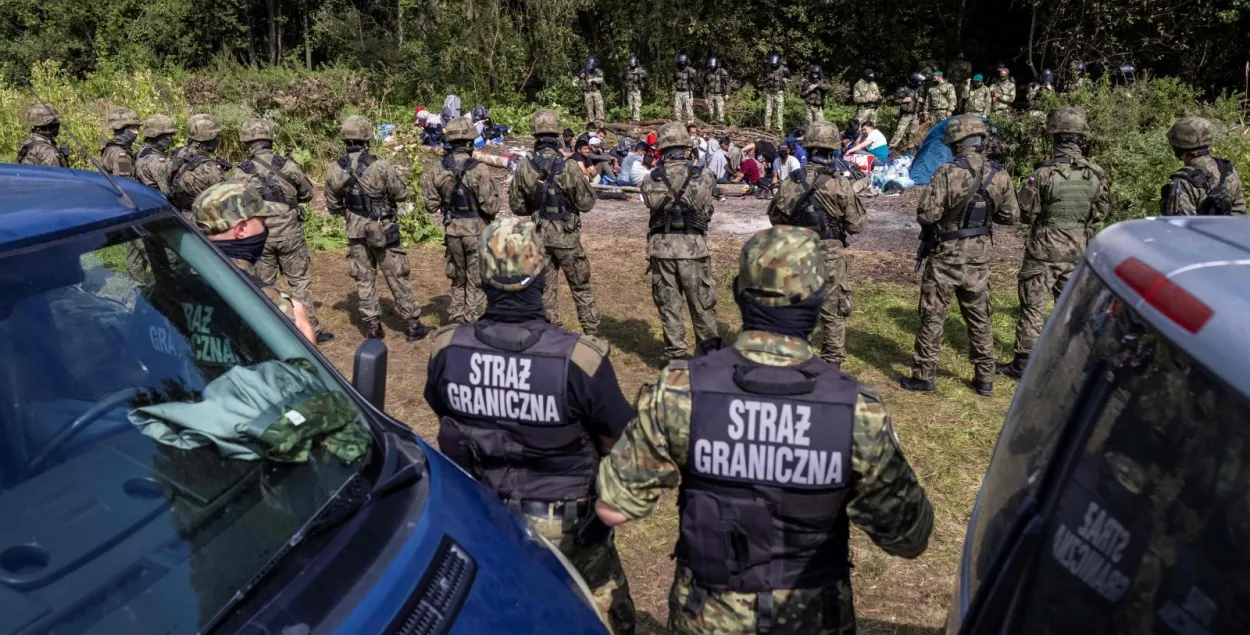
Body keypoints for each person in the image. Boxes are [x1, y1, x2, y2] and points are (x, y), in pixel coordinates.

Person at [594, 225, 934, 635]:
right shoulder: (857, 410)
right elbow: (909, 539)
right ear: (818, 298)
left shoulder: (681, 392)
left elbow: (613, 507)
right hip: (812, 618)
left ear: (739, 293)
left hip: (706, 615)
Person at [423, 217, 637, 634]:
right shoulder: (580, 359)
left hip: (485, 518)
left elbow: (444, 413)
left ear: (483, 276)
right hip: (571, 529)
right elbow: (621, 444)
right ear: (541, 273)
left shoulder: (446, 350)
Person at [901, 114, 1019, 396]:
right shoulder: (999, 174)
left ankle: (924, 376)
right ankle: (985, 379)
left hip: (946, 255)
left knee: (933, 316)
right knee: (979, 316)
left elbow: (927, 215)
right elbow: (1011, 216)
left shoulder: (946, 172)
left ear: (955, 142)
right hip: (979, 256)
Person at [997, 108, 1109, 380]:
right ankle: (1073, 361)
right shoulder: (1095, 174)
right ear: (1081, 138)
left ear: (1054, 137)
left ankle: (1023, 364)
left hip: (1044, 248)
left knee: (1033, 306)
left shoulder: (1044, 174)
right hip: (1079, 248)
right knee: (1072, 306)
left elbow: (1024, 212)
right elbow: (1102, 212)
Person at [767, 121, 867, 365]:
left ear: (808, 148)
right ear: (832, 151)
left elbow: (775, 218)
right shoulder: (840, 183)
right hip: (830, 253)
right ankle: (831, 362)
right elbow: (857, 225)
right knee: (832, 310)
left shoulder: (791, 181)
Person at [325, 114, 431, 341]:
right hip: (383, 227)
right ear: (366, 139)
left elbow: (333, 205)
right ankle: (412, 325)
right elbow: (401, 194)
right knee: (397, 275)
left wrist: (353, 215)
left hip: (355, 230)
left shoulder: (335, 169)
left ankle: (373, 327)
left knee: (364, 278)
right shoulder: (380, 166)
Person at [228, 118, 333, 344]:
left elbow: (232, 204)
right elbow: (307, 193)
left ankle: (268, 334)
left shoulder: (240, 172)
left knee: (264, 284)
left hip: (260, 236)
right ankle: (311, 331)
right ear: (269, 139)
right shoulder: (287, 165)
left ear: (246, 142)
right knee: (299, 283)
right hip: (290, 233)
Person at [510, 109, 601, 336]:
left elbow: (517, 206)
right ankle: (592, 335)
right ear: (558, 134)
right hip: (567, 237)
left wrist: (536, 202)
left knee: (544, 288)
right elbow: (587, 203)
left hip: (540, 237)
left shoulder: (524, 165)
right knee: (581, 286)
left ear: (534, 135)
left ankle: (550, 333)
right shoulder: (570, 165)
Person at [191, 183, 317, 342]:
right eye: (263, 222)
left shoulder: (171, 279)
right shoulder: (265, 302)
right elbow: (304, 364)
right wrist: (300, 320)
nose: (265, 229)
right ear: (241, 229)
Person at [640, 122, 719, 360]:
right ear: (686, 147)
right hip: (693, 248)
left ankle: (676, 356)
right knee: (702, 305)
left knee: (669, 305)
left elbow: (650, 205)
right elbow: (706, 209)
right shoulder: (703, 175)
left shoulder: (651, 179)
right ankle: (709, 358)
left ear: (661, 148)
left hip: (662, 249)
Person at [422, 117, 502, 325]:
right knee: (476, 280)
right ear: (469, 142)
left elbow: (430, 205)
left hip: (453, 231)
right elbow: (490, 207)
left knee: (458, 279)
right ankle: (472, 322)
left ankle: (456, 320)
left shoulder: (438, 168)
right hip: (477, 232)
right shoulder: (479, 169)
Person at [1160, 116, 1247, 216]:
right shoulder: (1228, 170)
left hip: (1198, 231)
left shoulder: (1183, 181)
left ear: (1178, 146)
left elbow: (1181, 225)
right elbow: (1240, 214)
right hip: (1230, 231)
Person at [170, 114, 231, 218]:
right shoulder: (211, 168)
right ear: (209, 139)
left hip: (179, 216)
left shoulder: (178, 153)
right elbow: (228, 201)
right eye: (217, 137)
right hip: (202, 221)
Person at [136, 114, 176, 195]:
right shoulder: (156, 160)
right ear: (156, 135)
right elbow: (167, 192)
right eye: (167, 135)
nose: (170, 138)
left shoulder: (143, 151)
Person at [100, 107, 141, 180]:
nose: (137, 132)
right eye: (133, 128)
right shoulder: (120, 155)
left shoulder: (114, 149)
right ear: (122, 128)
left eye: (137, 129)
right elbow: (125, 184)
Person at [891, 73, 926, 152]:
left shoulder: (920, 89)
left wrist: (922, 101)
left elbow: (923, 100)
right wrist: (903, 100)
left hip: (915, 115)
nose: (920, 83)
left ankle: (909, 150)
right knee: (899, 133)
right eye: (919, 81)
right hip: (906, 115)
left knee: (912, 133)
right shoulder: (903, 89)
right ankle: (891, 149)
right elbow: (893, 101)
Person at [762, 54, 790, 134]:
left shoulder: (784, 69)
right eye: (772, 65)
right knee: (768, 111)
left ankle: (779, 130)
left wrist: (786, 80)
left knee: (779, 112)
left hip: (779, 93)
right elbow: (764, 78)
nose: (773, 66)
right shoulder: (768, 69)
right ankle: (766, 129)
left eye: (775, 64)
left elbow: (789, 78)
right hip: (769, 93)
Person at [578, 57, 606, 124]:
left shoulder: (598, 71)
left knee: (599, 105)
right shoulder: (585, 71)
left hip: (596, 91)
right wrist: (580, 75)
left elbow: (601, 79)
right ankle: (591, 121)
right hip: (587, 92)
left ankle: (600, 120)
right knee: (589, 106)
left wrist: (593, 80)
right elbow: (579, 78)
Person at [704, 57, 730, 125]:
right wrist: (705, 97)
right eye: (711, 66)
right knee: (711, 110)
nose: (712, 68)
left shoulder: (722, 72)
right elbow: (705, 86)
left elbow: (727, 84)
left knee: (720, 110)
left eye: (713, 66)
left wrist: (727, 93)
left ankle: (721, 123)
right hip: (710, 94)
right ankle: (712, 123)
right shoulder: (708, 73)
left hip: (719, 94)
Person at [674, 54, 698, 124]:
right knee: (677, 108)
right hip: (678, 92)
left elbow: (696, 82)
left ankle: (690, 124)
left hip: (688, 92)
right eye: (681, 63)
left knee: (689, 109)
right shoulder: (677, 70)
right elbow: (675, 79)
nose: (682, 65)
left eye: (683, 63)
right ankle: (677, 123)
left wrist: (692, 89)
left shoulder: (692, 71)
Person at [624, 56, 648, 122]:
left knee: (637, 105)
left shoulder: (640, 70)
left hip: (636, 90)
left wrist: (642, 77)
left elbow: (645, 79)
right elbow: (625, 79)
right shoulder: (628, 71)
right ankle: (632, 118)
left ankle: (637, 119)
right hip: (629, 90)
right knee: (630, 106)